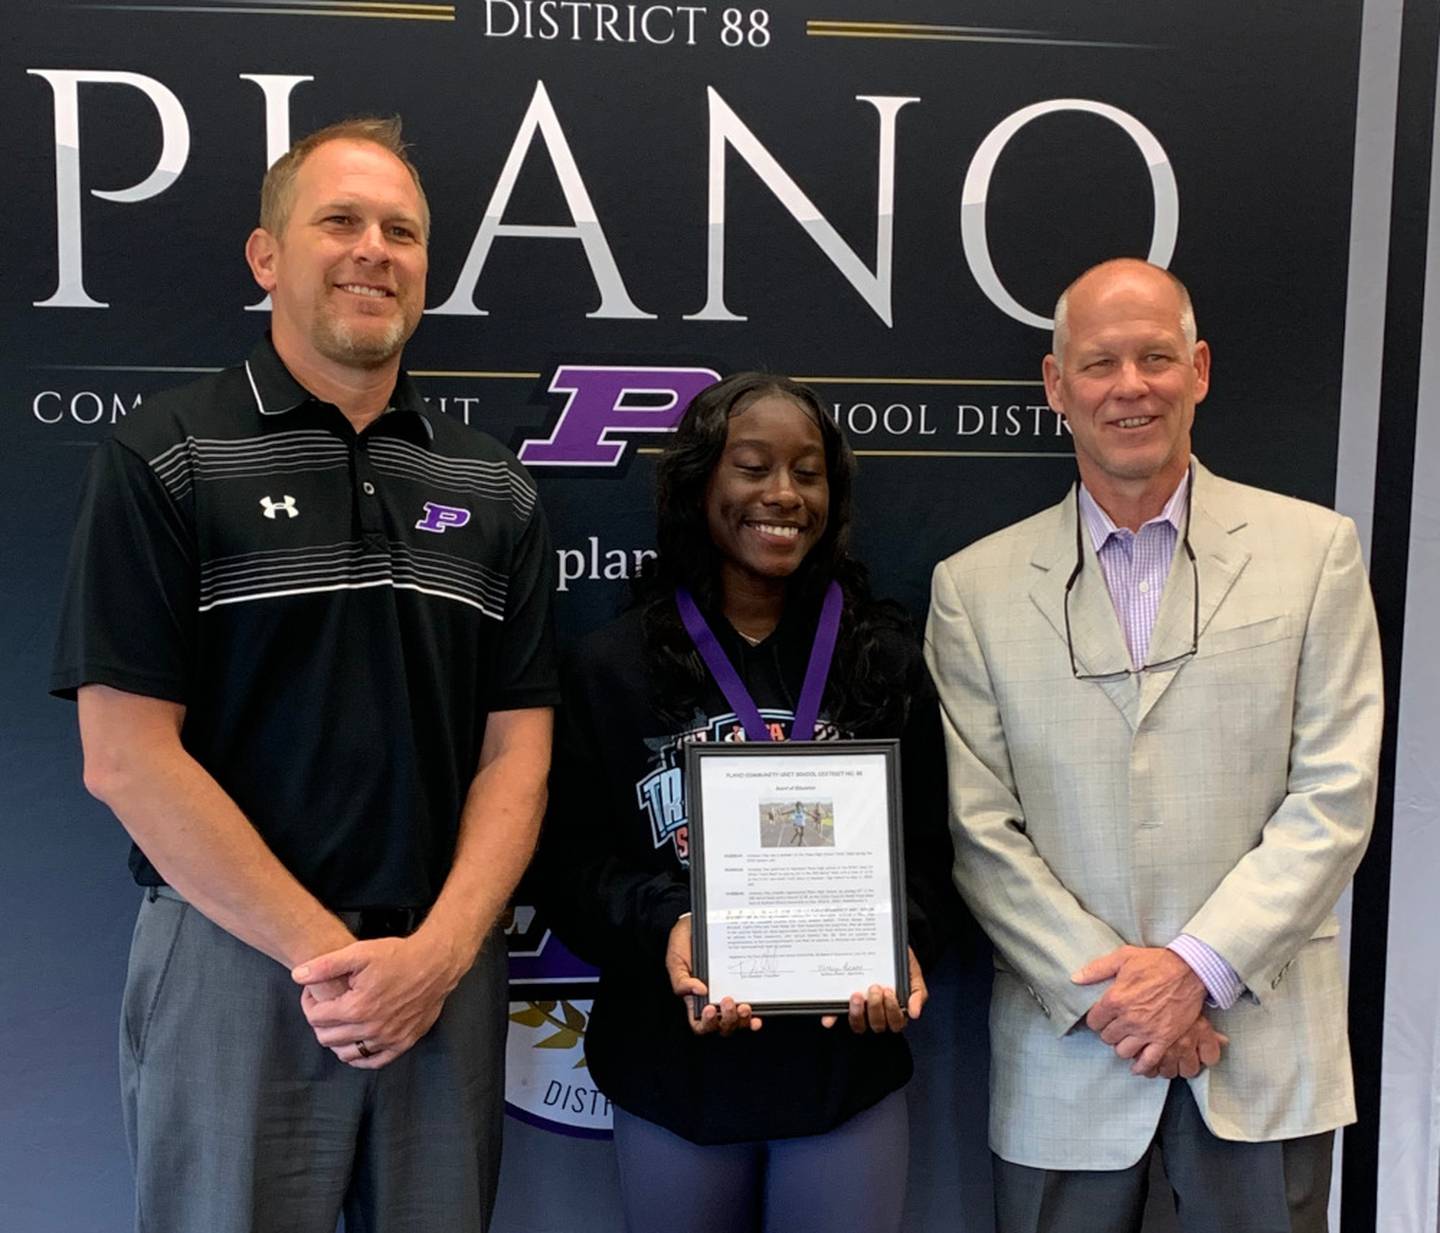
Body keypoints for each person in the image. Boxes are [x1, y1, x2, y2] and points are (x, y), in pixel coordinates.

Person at [50, 117, 557, 1233]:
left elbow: (517, 754)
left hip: (442, 966)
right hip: (238, 964)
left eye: (403, 231)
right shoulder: (166, 456)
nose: (374, 249)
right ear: (266, 255)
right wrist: (333, 960)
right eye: (340, 221)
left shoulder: (495, 488)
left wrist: (435, 956)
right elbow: (124, 757)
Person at [925, 257, 1383, 1233]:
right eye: (1099, 364)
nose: (1129, 387)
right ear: (1057, 387)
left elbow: (1335, 799)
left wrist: (1192, 972)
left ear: (1201, 370)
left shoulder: (1317, 554)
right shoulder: (974, 588)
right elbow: (981, 831)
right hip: (1070, 1062)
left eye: (1156, 358)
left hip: (1262, 1058)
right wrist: (1121, 1000)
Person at [537, 372, 959, 1233]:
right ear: (699, 484)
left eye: (808, 472)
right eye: (753, 466)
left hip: (844, 1069)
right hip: (674, 1069)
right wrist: (669, 927)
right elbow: (567, 869)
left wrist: (902, 941)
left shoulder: (884, 659)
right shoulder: (611, 668)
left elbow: (937, 854)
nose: (782, 494)